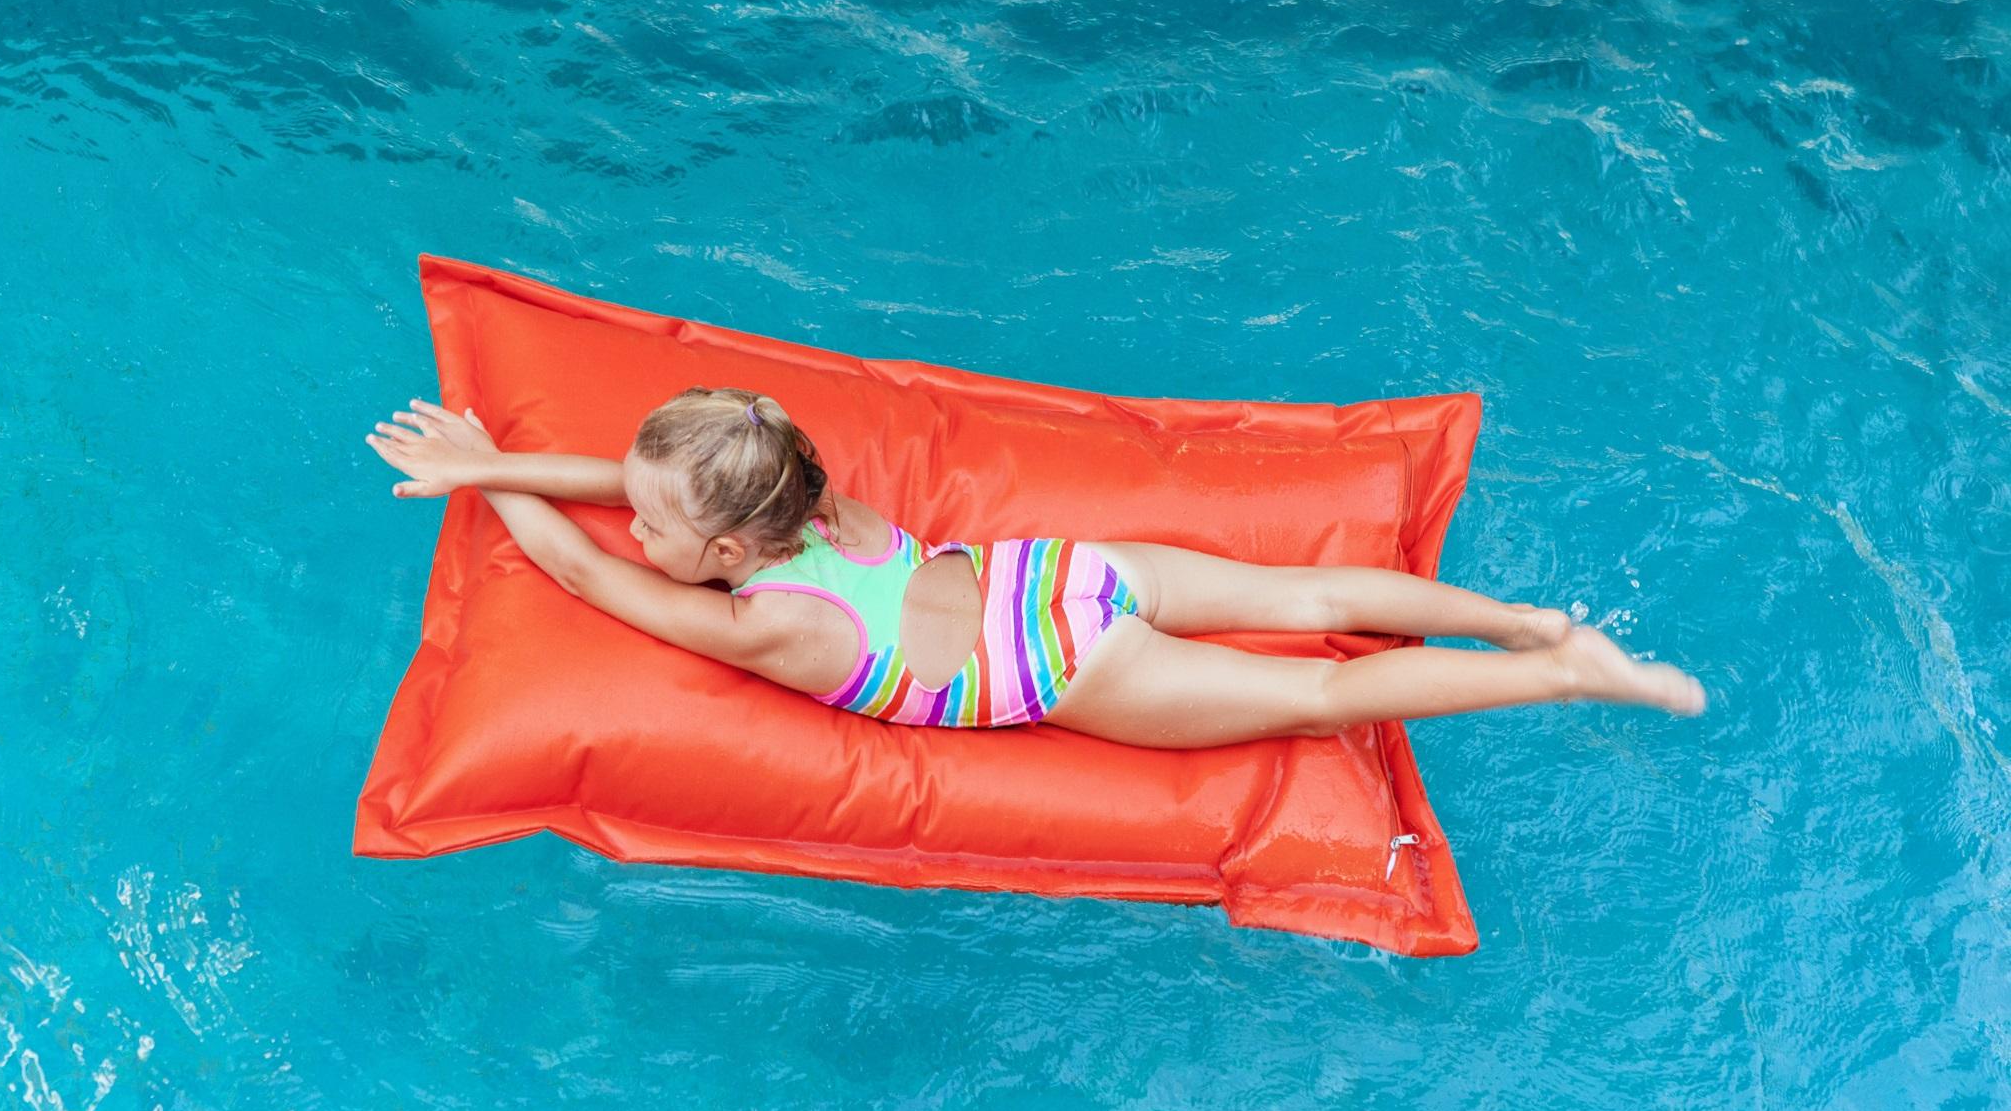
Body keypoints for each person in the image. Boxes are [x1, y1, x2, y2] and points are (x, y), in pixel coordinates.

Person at [366, 386, 1703, 748]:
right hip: (1063, 573)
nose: (629, 523)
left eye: (655, 523)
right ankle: (1526, 619)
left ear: (721, 554)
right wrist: (497, 462)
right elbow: (648, 496)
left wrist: (484, 487)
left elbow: (604, 584)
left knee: (1315, 699)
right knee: (1314, 598)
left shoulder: (773, 621)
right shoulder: (805, 498)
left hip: (1062, 659)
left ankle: (1560, 678)